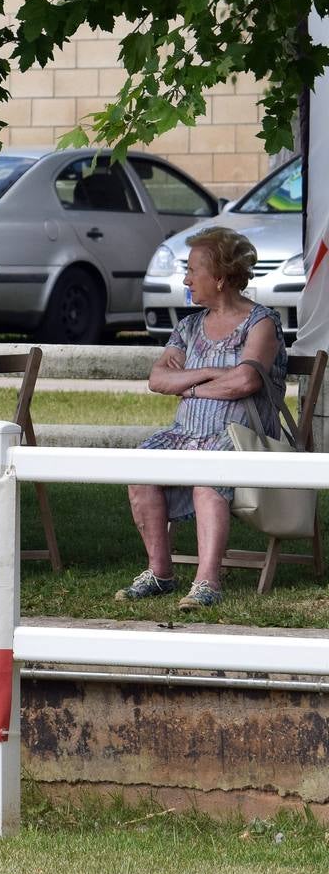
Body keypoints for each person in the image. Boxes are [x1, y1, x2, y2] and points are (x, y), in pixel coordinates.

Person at [122, 226, 287, 610]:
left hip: (241, 435)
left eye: (193, 269)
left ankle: (207, 581)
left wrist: (190, 386)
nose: (185, 278)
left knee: (206, 473)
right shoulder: (189, 326)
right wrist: (210, 373)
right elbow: (158, 379)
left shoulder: (260, 323)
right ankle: (160, 573)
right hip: (186, 432)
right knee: (140, 467)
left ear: (220, 277)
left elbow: (245, 381)